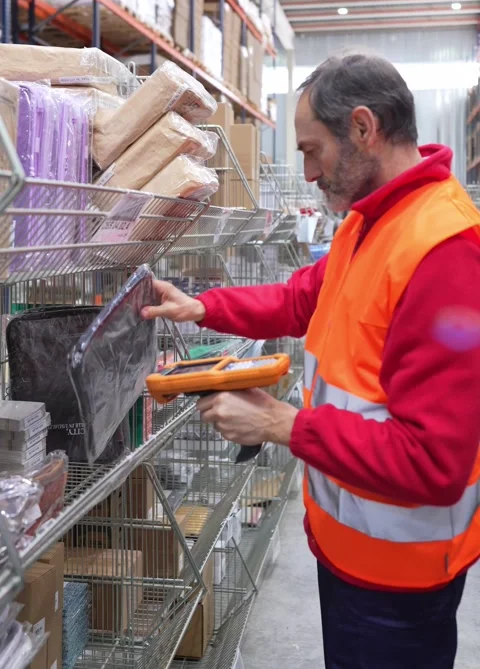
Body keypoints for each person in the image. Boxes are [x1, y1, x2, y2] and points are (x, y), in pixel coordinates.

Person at [142, 52, 480, 669]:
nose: (307, 172)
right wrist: (202, 308)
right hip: (346, 551)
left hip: (398, 584)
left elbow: (434, 462)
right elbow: (302, 298)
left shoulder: (442, 251)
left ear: (362, 128)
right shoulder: (368, 221)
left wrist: (281, 425)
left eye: (312, 150)